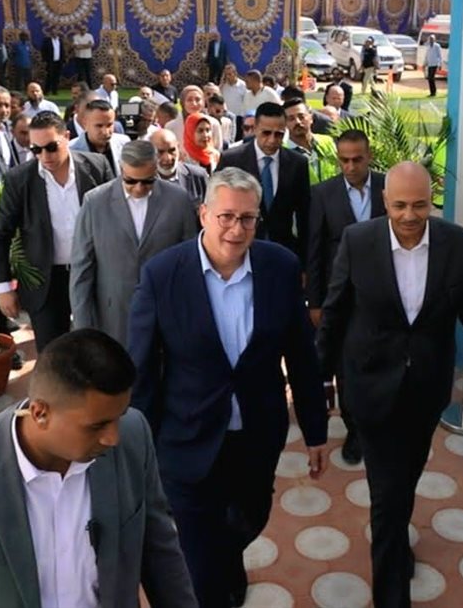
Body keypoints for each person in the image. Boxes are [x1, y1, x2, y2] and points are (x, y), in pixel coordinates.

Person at [0, 329, 198, 608]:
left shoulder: (133, 437)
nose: (112, 437)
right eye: (97, 426)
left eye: (119, 416)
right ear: (40, 413)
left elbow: (161, 555)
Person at [128, 168, 330, 607]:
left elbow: (301, 355)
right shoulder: (163, 274)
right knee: (200, 562)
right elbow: (141, 370)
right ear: (203, 214)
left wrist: (316, 430)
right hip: (186, 438)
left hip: (256, 435)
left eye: (248, 218)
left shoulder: (280, 267)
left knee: (250, 519)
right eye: (226, 217)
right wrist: (140, 446)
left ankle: (226, 563)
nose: (236, 229)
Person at [317, 162, 463, 608]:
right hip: (370, 387)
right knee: (387, 494)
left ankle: (397, 543)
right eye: (400, 205)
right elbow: (334, 314)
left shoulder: (456, 244)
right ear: (384, 201)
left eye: (419, 205)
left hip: (426, 389)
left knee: (406, 478)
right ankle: (391, 592)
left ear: (431, 203)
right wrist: (317, 384)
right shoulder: (358, 241)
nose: (409, 215)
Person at [0, 112, 113, 350]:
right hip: (45, 282)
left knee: (98, 349)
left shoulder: (97, 167)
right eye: (36, 149)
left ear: (67, 136)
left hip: (93, 273)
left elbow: (115, 220)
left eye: (51, 147)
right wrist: (3, 288)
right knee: (51, 354)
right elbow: (0, 233)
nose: (45, 156)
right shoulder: (19, 179)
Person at [305, 129, 386, 462]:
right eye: (344, 160)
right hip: (339, 298)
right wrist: (315, 302)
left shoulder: (387, 187)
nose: (350, 167)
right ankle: (354, 431)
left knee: (381, 362)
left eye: (357, 159)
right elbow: (314, 250)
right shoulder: (322, 194)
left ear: (369, 156)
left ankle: (379, 425)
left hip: (383, 296)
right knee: (345, 367)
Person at [71, 141, 199, 344]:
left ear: (156, 169)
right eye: (130, 181)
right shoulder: (95, 202)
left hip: (166, 313)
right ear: (121, 168)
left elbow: (191, 262)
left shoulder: (178, 200)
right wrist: (83, 328)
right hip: (113, 316)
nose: (139, 188)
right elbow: (82, 268)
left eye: (148, 181)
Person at [217, 102, 310, 264]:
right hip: (239, 250)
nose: (272, 140)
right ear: (255, 129)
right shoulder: (232, 159)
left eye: (279, 134)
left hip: (283, 252)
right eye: (266, 133)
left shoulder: (297, 164)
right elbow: (217, 206)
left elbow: (305, 216)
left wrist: (304, 263)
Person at [282, 97, 338, 185]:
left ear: (311, 118)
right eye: (291, 119)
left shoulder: (327, 142)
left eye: (301, 117)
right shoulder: (283, 153)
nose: (297, 122)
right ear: (285, 124)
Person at [69, 98, 129, 177]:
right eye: (99, 126)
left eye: (109, 125)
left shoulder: (124, 143)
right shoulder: (71, 150)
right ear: (85, 123)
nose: (105, 132)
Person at [152, 128, 208, 205]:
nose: (168, 158)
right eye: (160, 152)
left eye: (172, 151)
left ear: (178, 148)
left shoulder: (197, 176)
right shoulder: (141, 181)